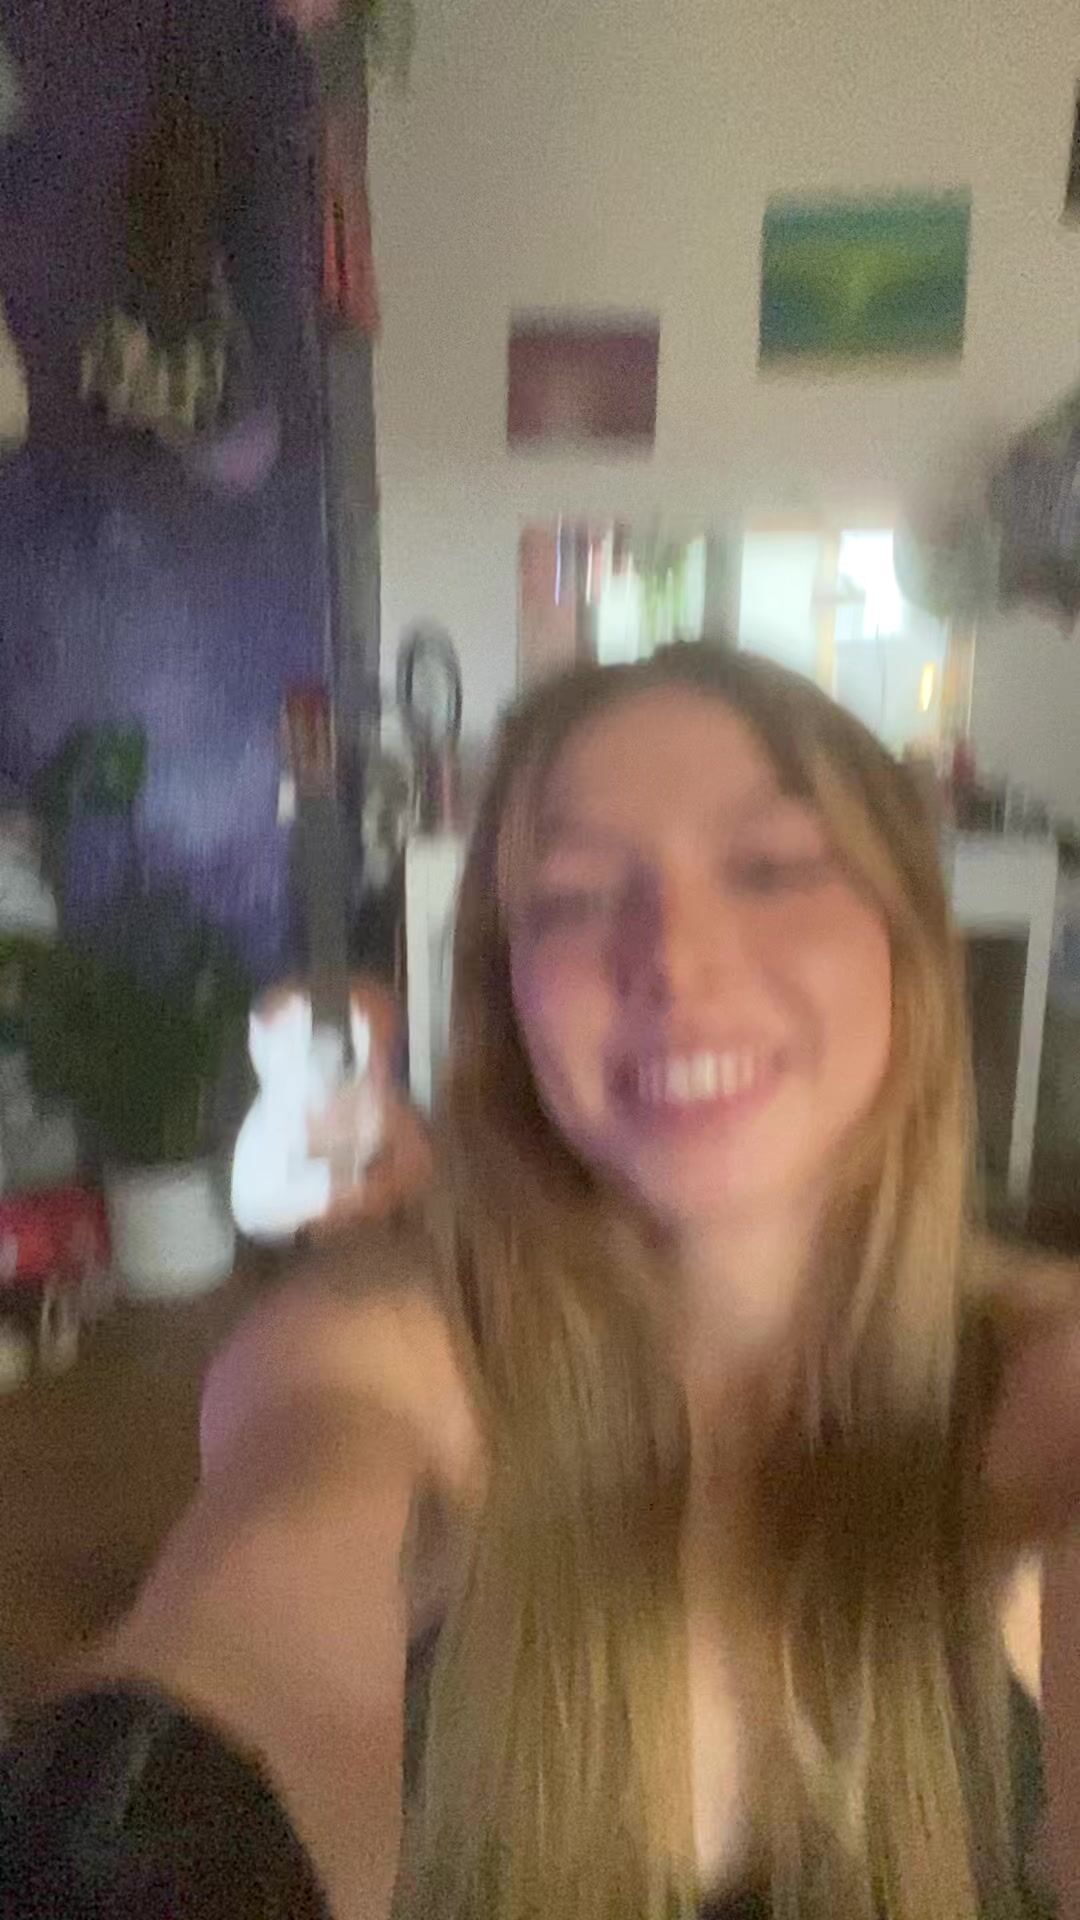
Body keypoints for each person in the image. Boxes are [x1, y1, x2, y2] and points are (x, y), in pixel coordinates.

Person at [3, 641, 1080, 1920]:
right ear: (505, 1002)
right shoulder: (375, 1350)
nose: (675, 957)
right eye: (573, 897)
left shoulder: (1042, 1371)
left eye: (774, 867)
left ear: (910, 945)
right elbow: (269, 1588)